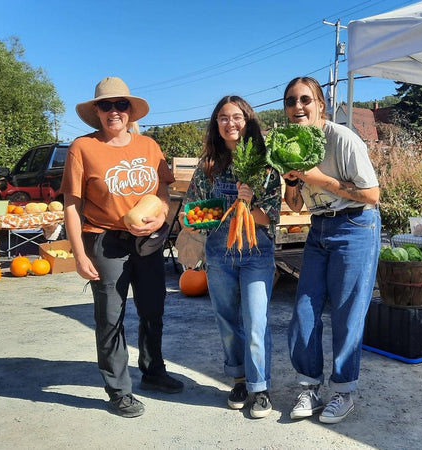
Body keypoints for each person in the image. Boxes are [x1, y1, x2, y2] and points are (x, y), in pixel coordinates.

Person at [60, 76, 184, 418]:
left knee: (152, 308)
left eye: (121, 105)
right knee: (110, 317)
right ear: (96, 111)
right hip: (105, 240)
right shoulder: (82, 147)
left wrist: (160, 217)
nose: (114, 112)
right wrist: (79, 253)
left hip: (148, 240)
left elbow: (163, 192)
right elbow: (71, 204)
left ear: (130, 110)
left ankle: (153, 371)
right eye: (106, 105)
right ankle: (118, 389)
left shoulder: (149, 146)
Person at [281, 76, 381, 424]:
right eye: (291, 101)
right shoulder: (291, 143)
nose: (298, 107)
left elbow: (372, 195)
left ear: (320, 104)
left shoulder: (343, 139)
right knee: (304, 311)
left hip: (356, 225)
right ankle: (309, 386)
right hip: (319, 226)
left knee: (346, 312)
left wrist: (314, 177)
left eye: (305, 99)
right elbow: (294, 205)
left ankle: (343, 392)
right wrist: (293, 180)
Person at [180, 95, 281, 419]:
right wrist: (198, 216)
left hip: (255, 251)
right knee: (227, 320)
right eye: (223, 118)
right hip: (219, 253)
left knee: (255, 320)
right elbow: (192, 210)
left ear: (247, 121)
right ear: (216, 125)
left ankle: (259, 387)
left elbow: (271, 215)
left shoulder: (266, 165)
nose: (230, 123)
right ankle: (239, 379)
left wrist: (247, 204)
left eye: (236, 117)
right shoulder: (208, 165)